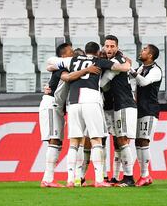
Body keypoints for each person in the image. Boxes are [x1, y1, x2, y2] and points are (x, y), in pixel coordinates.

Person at [52, 41, 131, 188]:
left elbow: (50, 65)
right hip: (91, 100)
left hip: (74, 101)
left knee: (74, 142)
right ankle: (99, 179)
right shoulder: (99, 61)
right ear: (96, 52)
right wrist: (126, 61)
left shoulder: (72, 60)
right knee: (96, 140)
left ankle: (70, 179)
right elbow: (124, 67)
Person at [39, 43, 99, 188]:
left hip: (57, 106)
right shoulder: (62, 68)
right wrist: (87, 70)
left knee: (57, 142)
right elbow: (67, 78)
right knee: (54, 141)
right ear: (64, 56)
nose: (73, 55)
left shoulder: (64, 66)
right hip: (52, 104)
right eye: (71, 52)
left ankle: (52, 178)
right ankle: (47, 179)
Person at [101, 35, 137, 187]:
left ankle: (129, 177)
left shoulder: (116, 62)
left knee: (122, 140)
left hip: (123, 104)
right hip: (124, 104)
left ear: (117, 47)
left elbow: (103, 84)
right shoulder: (122, 60)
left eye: (112, 46)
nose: (109, 49)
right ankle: (119, 177)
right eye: (107, 46)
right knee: (120, 140)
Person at [129, 44, 162, 187]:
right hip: (139, 109)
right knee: (138, 142)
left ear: (150, 55)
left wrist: (130, 69)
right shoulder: (142, 68)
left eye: (144, 50)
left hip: (149, 109)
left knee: (144, 141)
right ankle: (145, 175)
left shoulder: (156, 71)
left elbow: (144, 82)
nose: (141, 51)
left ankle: (145, 175)